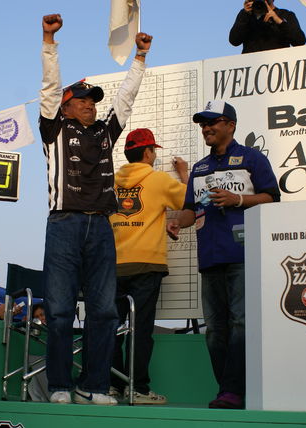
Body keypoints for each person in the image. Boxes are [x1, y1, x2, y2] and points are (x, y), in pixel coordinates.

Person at [39, 13, 152, 406]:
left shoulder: (105, 132)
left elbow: (126, 99)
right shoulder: (53, 128)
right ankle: (59, 384)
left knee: (104, 311)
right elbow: (49, 88)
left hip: (102, 227)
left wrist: (139, 58)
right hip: (64, 225)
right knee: (59, 310)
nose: (90, 106)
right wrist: (49, 42)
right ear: (66, 107)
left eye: (92, 102)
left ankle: (94, 385)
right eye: (82, 101)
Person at [167, 100, 280, 409]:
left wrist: (237, 199)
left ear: (230, 125)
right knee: (215, 331)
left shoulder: (252, 158)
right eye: (203, 123)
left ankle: (234, 391)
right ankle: (229, 391)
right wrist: (177, 222)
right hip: (210, 258)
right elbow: (191, 210)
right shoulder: (200, 168)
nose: (206, 128)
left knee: (241, 324)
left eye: (212, 122)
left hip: (243, 254)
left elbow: (272, 198)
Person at [108, 128, 188, 405]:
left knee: (111, 328)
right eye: (153, 150)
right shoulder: (159, 179)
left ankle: (111, 385)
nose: (154, 155)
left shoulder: (111, 181)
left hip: (113, 265)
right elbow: (191, 198)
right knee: (140, 329)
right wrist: (184, 174)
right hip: (146, 264)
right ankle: (138, 389)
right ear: (147, 152)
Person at [229, 0, 306, 54]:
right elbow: (234, 41)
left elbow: (300, 41)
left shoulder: (286, 15)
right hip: (252, 66)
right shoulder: (247, 15)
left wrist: (278, 20)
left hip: (278, 65)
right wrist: (245, 14)